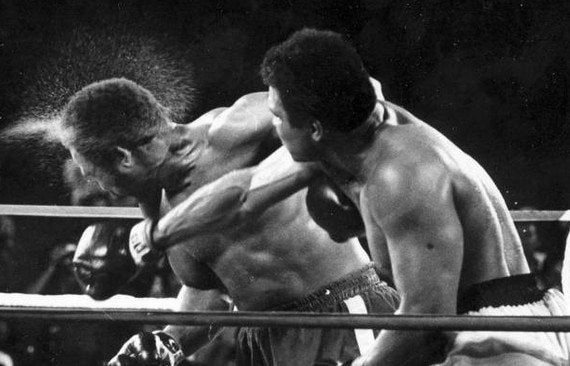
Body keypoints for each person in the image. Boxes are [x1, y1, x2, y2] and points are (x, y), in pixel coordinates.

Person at [144, 28, 570, 365]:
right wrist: (160, 231)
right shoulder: (338, 140)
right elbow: (243, 192)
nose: (271, 127)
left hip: (494, 336)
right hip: (447, 328)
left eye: (277, 116)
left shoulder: (400, 177)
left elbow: (426, 323)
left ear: (312, 127)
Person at [60, 77, 399, 366]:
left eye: (95, 175)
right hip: (261, 340)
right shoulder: (155, 209)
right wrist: (169, 342)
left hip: (342, 317)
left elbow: (364, 92)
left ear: (123, 157)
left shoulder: (233, 131)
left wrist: (313, 163)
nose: (102, 188)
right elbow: (211, 289)